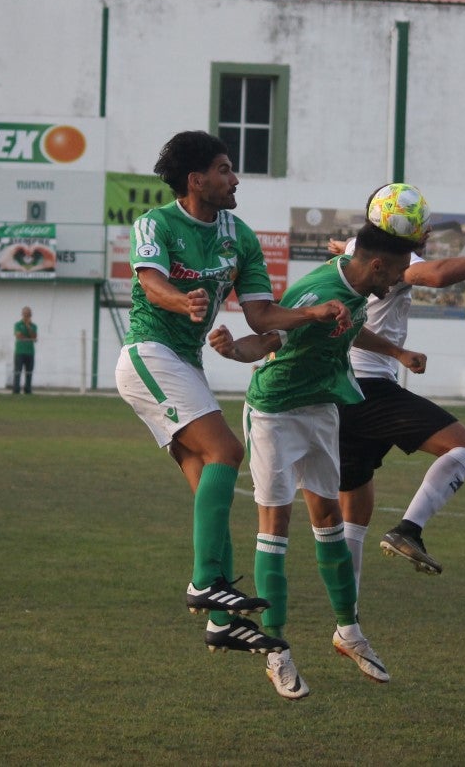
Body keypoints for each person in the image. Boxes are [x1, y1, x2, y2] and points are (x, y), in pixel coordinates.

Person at [114, 130, 352, 657]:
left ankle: (221, 620)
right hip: (149, 354)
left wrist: (309, 312)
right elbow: (151, 281)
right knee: (227, 450)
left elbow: (262, 313)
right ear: (196, 180)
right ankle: (204, 582)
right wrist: (184, 303)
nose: (235, 178)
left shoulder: (239, 236)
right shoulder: (154, 223)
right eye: (224, 169)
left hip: (185, 363)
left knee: (206, 482)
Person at [211, 221, 423, 700]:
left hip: (323, 408)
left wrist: (397, 351)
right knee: (275, 526)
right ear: (377, 266)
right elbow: (266, 336)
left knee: (329, 520)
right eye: (397, 274)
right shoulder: (317, 291)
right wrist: (231, 351)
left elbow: (351, 328)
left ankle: (348, 633)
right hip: (277, 413)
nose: (397, 283)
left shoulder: (351, 287)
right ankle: (275, 651)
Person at [326, 208, 465, 579]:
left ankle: (347, 622)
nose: (426, 230)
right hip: (369, 388)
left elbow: (349, 250)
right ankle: (409, 529)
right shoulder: (397, 262)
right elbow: (438, 276)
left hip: (340, 390)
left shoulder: (357, 249)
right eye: (418, 223)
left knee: (353, 522)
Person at [13, 306, 37, 394]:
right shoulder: (17, 325)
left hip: (30, 352)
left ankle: (28, 390)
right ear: (22, 314)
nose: (26, 316)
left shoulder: (34, 326)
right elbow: (18, 336)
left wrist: (28, 326)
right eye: (25, 314)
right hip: (19, 352)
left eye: (28, 314)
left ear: (31, 315)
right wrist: (29, 338)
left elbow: (34, 336)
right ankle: (16, 390)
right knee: (17, 372)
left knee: (29, 373)